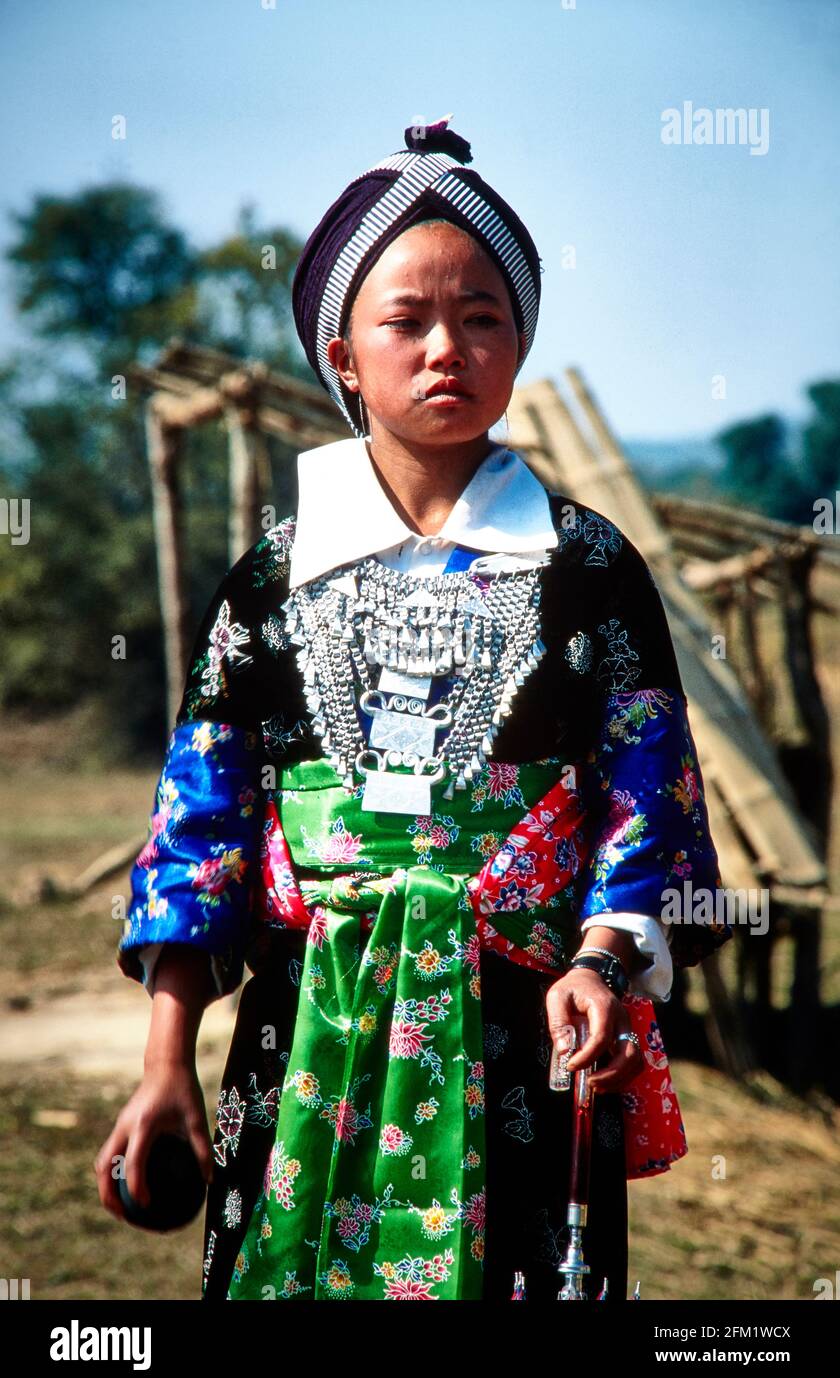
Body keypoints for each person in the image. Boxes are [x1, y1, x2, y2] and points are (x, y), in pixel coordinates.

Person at [96, 117, 732, 1302]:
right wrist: (166, 1060)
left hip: (520, 1047)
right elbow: (200, 833)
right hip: (298, 1042)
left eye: (483, 316)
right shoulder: (273, 580)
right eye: (408, 320)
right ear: (343, 354)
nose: (449, 347)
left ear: (521, 340)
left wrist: (600, 957)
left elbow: (652, 803)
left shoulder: (588, 571)